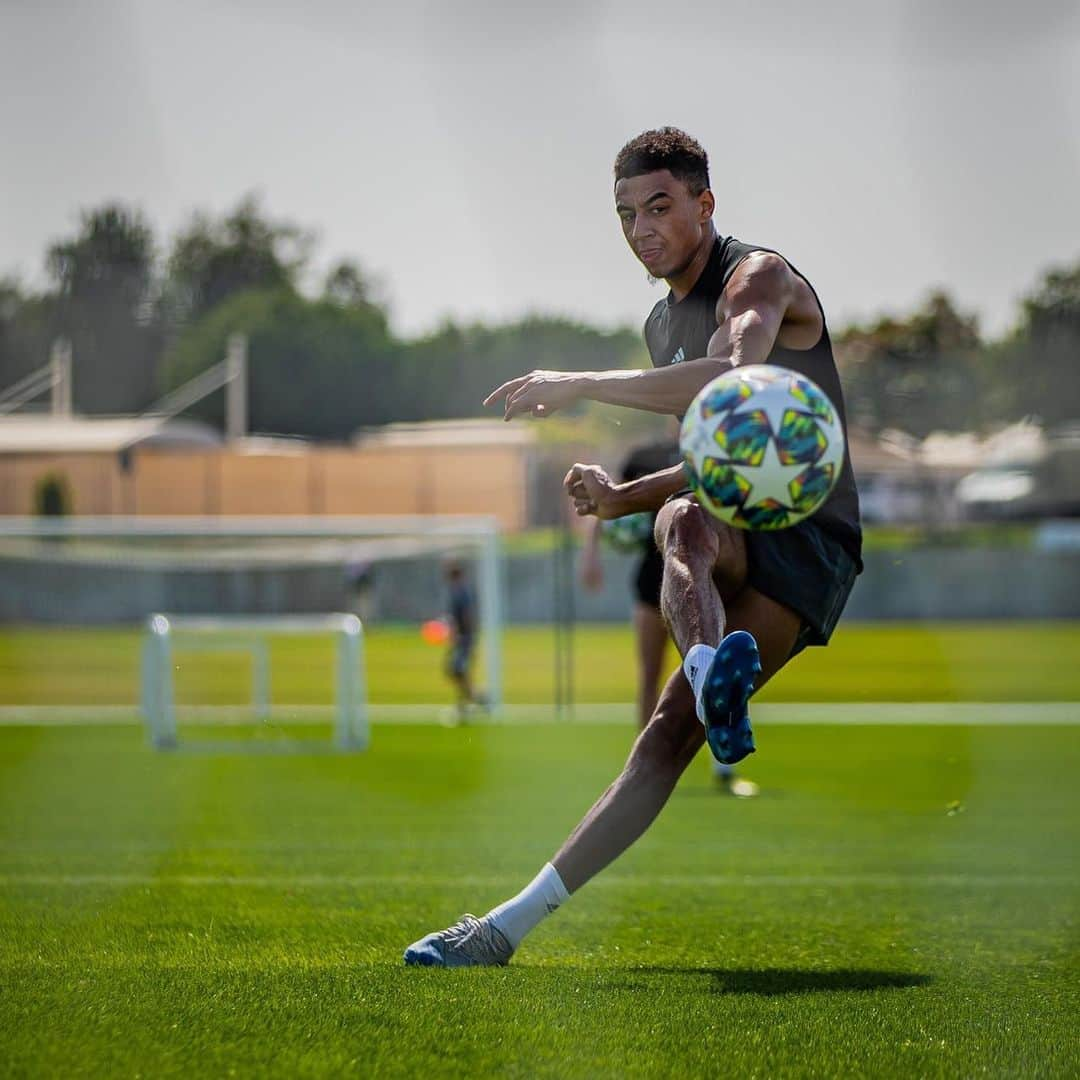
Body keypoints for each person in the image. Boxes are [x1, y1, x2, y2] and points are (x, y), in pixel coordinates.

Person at [404, 127, 861, 966]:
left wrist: (578, 383)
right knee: (677, 535)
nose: (641, 229)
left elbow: (732, 375)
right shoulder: (661, 322)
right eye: (625, 214)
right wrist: (620, 499)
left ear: (705, 204)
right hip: (732, 514)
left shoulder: (756, 276)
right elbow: (712, 459)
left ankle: (708, 683)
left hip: (811, 537)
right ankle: (504, 929)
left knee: (683, 531)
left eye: (659, 206)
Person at [581, 438, 758, 796]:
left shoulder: (717, 449)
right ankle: (645, 770)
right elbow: (610, 504)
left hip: (706, 577)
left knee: (719, 672)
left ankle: (725, 768)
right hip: (653, 576)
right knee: (650, 674)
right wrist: (590, 554)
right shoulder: (643, 456)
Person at [443, 560, 483, 719]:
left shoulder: (460, 592)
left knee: (457, 670)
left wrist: (461, 635)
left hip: (464, 638)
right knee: (457, 671)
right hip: (465, 637)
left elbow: (466, 616)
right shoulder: (459, 590)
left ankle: (468, 703)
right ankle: (475, 699)